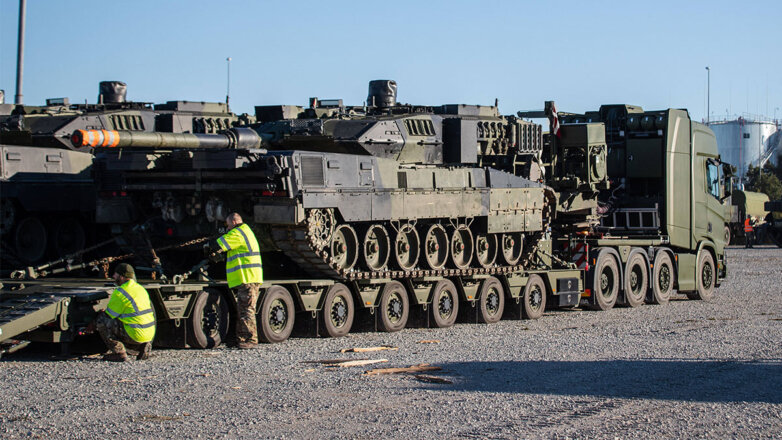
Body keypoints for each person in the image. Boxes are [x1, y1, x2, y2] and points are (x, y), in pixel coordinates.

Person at [214, 213, 263, 349]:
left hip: (248, 277)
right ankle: (242, 339)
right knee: (243, 310)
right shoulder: (244, 231)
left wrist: (210, 244)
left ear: (234, 222)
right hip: (248, 277)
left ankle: (250, 340)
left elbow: (221, 243)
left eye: (228, 224)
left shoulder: (239, 233)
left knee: (247, 310)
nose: (227, 227)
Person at [95, 263, 156, 362]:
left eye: (115, 274)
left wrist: (96, 320)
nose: (113, 277)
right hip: (149, 334)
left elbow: (108, 315)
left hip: (135, 333)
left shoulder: (121, 292)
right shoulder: (140, 288)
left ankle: (119, 353)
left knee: (102, 320)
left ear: (122, 277)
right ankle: (143, 346)